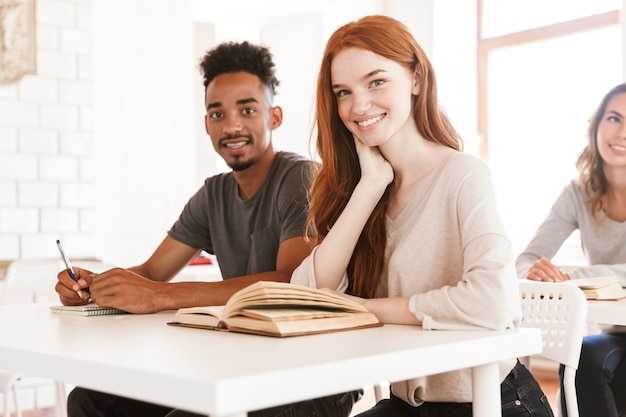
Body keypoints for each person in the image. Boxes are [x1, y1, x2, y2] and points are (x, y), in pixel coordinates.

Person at [55, 41, 359, 417]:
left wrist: (159, 296)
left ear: (275, 117)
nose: (231, 125)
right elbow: (152, 273)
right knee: (89, 400)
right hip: (238, 361)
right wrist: (93, 288)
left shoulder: (300, 177)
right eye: (217, 114)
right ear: (206, 124)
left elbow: (289, 282)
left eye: (247, 110)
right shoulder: (213, 194)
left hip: (310, 375)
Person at [290, 14, 554, 417]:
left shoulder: (464, 174)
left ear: (416, 80)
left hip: (490, 400)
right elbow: (311, 294)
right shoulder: (368, 189)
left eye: (376, 81)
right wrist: (369, 187)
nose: (358, 105)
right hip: (408, 405)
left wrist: (368, 308)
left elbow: (494, 304)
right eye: (343, 91)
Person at [516, 82, 626, 417]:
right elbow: (525, 261)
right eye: (614, 118)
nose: (621, 132)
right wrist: (536, 274)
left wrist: (570, 277)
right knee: (579, 359)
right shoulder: (578, 194)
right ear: (596, 126)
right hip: (618, 338)